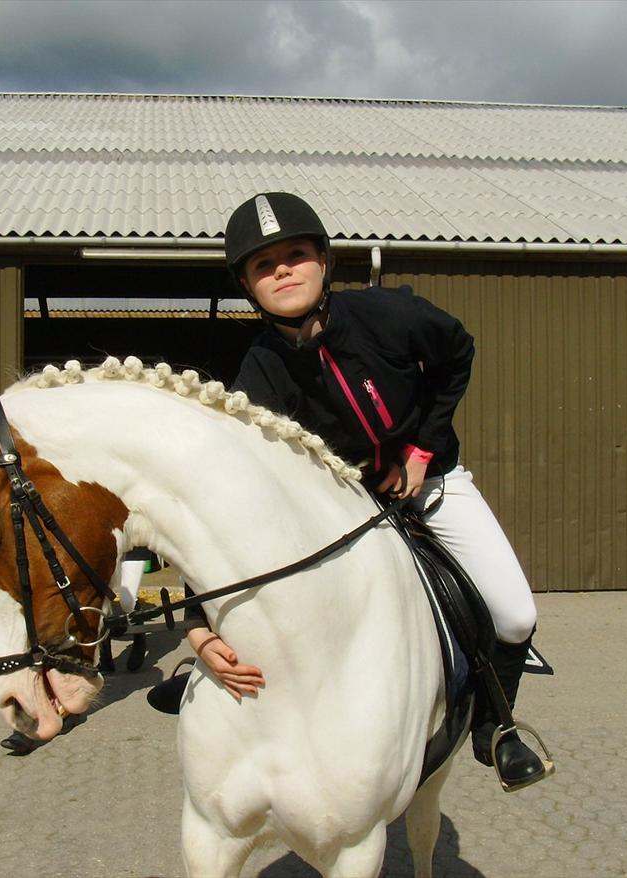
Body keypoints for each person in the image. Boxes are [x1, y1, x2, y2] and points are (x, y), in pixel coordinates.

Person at [152, 192, 547, 791]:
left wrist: (422, 450)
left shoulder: (388, 315)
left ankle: (497, 727)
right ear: (247, 285)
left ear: (324, 261)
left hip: (432, 487)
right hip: (342, 511)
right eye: (264, 265)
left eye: (295, 254)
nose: (282, 269)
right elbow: (228, 491)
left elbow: (457, 352)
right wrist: (199, 623)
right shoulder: (257, 374)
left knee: (516, 614)